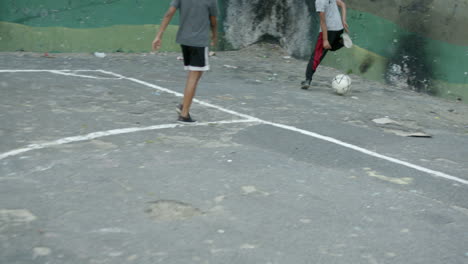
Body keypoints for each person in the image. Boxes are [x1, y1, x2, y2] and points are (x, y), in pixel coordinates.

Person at [152, 0, 218, 123]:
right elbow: (213, 21)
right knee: (194, 76)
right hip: (199, 42)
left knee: (196, 74)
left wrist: (159, 35)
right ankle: (184, 114)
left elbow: (169, 13)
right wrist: (214, 36)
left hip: (185, 41)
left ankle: (183, 105)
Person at [301, 0, 349, 90]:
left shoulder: (319, 1)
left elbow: (323, 22)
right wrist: (343, 20)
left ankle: (308, 80)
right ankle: (342, 41)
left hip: (329, 30)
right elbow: (342, 4)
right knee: (331, 47)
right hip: (339, 28)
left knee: (316, 56)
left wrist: (325, 39)